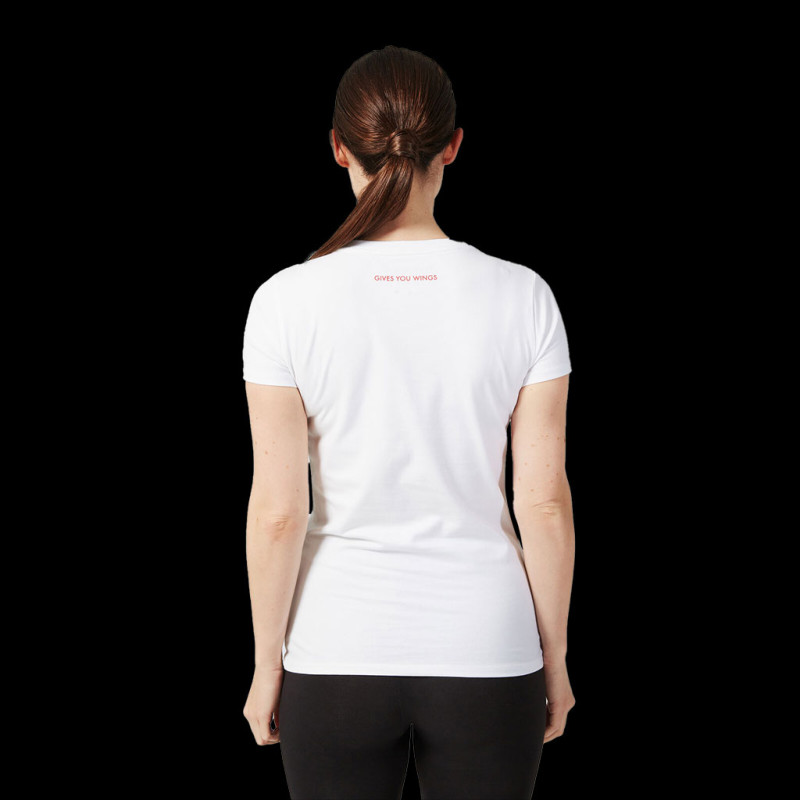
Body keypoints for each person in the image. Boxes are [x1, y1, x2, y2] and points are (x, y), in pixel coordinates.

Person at [241, 45, 576, 799]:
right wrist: (554, 660)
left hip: (335, 648)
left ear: (339, 148)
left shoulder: (285, 300)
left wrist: (266, 667)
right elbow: (545, 504)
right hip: (488, 649)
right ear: (452, 146)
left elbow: (278, 513)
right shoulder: (523, 295)